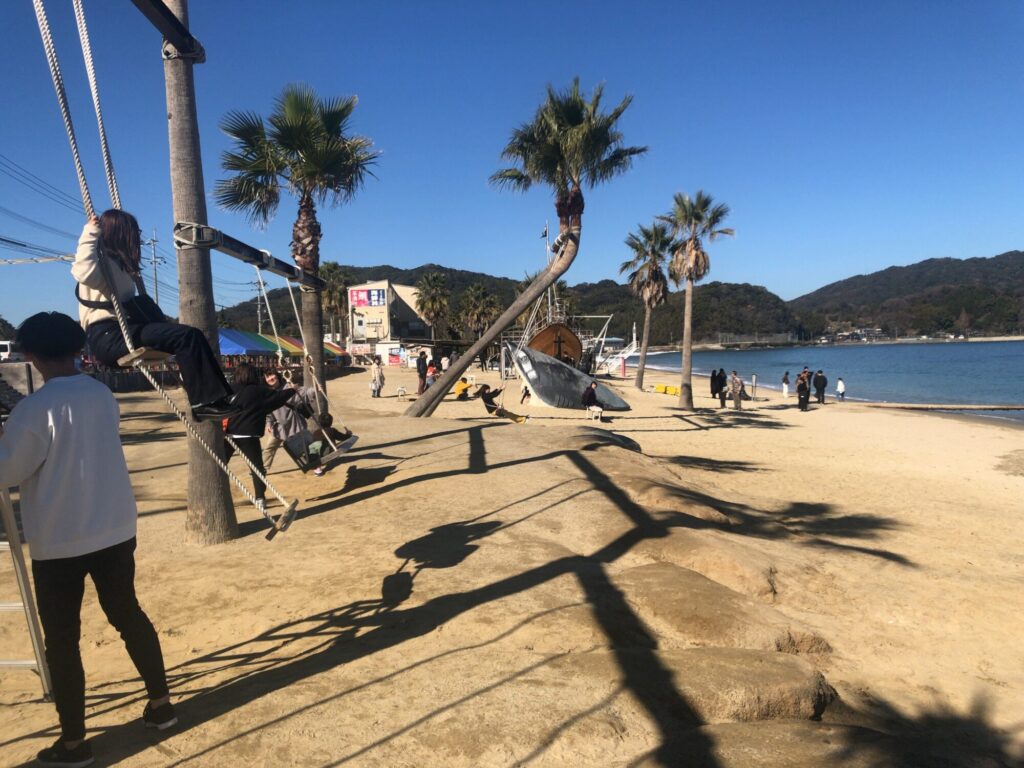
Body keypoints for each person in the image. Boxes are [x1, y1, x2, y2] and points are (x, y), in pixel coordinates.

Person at [0, 312, 176, 767]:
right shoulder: (100, 393)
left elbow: (8, 471)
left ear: (32, 355)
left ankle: (75, 742)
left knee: (62, 638)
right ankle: (161, 705)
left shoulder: (34, 410)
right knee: (128, 613)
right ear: (77, 347)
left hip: (61, 537)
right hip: (115, 527)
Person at [72, 211, 239, 423]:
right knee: (186, 336)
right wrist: (90, 232)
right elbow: (82, 272)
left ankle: (216, 398)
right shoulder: (101, 263)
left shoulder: (121, 267)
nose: (138, 238)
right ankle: (203, 404)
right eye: (134, 232)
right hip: (107, 336)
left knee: (191, 336)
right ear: (121, 233)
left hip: (122, 331)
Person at [225, 363, 296, 511]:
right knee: (256, 468)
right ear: (253, 375)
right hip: (249, 435)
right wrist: (292, 390)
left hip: (228, 433)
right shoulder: (258, 390)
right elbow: (277, 397)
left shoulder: (230, 388)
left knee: (220, 463)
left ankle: (220, 493)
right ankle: (260, 498)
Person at [262, 368, 315, 470]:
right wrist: (269, 424)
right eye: (267, 377)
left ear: (277, 376)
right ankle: (263, 469)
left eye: (272, 375)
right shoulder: (267, 393)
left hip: (294, 425)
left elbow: (304, 393)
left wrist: (314, 390)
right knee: (269, 448)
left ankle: (316, 465)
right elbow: (268, 413)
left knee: (305, 447)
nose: (270, 378)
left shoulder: (288, 387)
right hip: (279, 428)